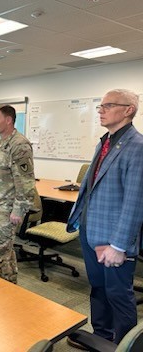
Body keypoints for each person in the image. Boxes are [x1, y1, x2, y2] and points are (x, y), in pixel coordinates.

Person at [67, 89, 143, 346]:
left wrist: (120, 246)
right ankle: (101, 337)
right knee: (98, 288)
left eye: (107, 106)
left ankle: (124, 345)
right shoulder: (105, 141)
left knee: (118, 294)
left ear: (128, 110)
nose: (100, 110)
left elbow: (135, 202)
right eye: (100, 106)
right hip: (92, 231)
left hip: (114, 240)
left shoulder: (138, 147)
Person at [0, 105, 35, 283]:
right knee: (3, 251)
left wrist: (18, 211)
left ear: (8, 120)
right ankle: (9, 288)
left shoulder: (19, 145)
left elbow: (26, 182)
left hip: (7, 209)